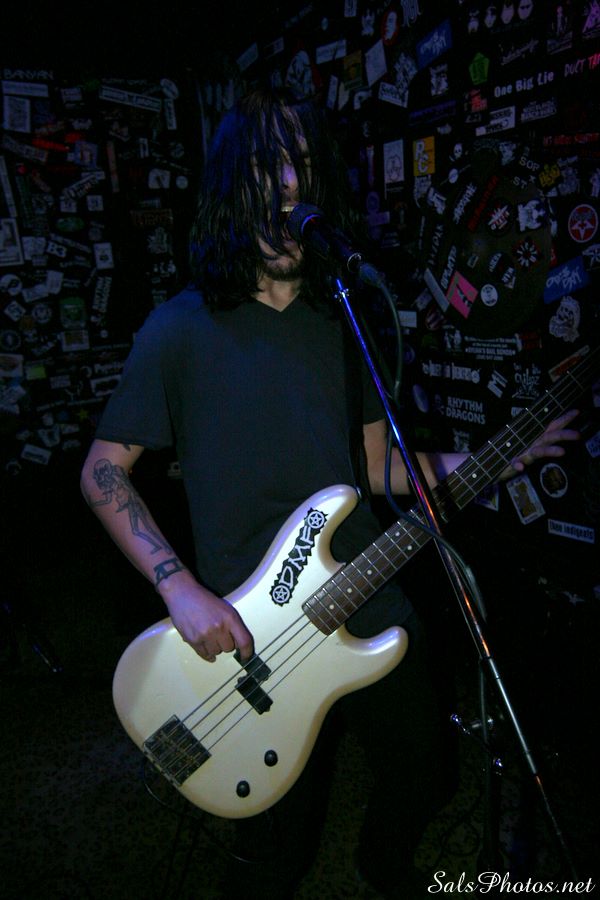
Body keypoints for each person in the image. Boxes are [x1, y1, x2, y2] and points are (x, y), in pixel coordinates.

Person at [80, 88, 579, 898]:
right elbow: (103, 470)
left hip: (371, 595)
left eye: (303, 164)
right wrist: (179, 589)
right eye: (267, 165)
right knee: (275, 847)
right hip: (251, 635)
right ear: (232, 186)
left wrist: (494, 461)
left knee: (426, 774)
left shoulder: (345, 317)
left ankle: (383, 867)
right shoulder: (178, 330)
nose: (289, 183)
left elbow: (379, 468)